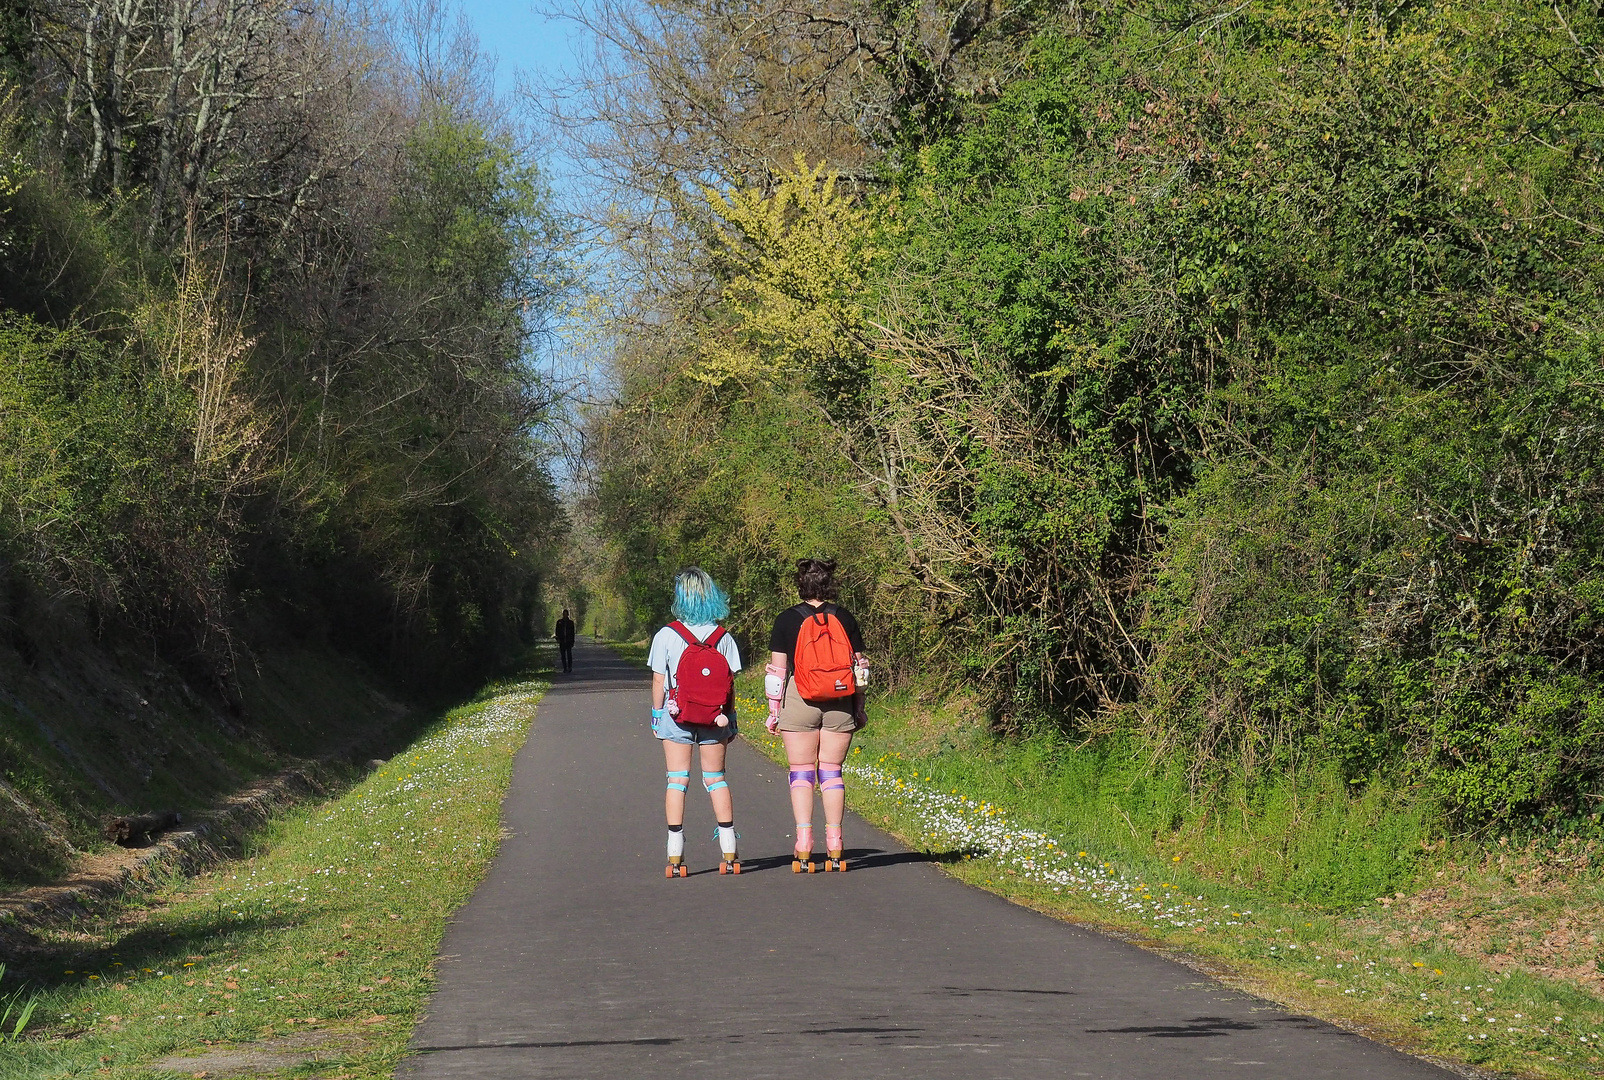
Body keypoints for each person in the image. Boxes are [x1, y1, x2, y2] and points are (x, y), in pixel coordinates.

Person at [765, 558, 867, 873]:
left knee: (802, 772)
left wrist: (773, 712)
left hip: (799, 697)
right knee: (832, 772)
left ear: (801, 584)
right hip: (840, 698)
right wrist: (859, 707)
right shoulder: (845, 618)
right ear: (829, 584)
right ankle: (835, 843)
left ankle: (805, 843)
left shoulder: (786, 620)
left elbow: (777, 673)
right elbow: (861, 670)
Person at [648, 567, 743, 876]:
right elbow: (730, 685)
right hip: (716, 719)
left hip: (677, 717)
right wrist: (730, 719)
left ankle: (675, 852)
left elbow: (659, 680)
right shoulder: (723, 637)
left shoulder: (666, 635)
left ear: (681, 597)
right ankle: (729, 849)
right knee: (716, 779)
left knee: (677, 780)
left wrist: (657, 715)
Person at [555, 608, 576, 673]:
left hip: (568, 641)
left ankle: (570, 667)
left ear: (568, 615)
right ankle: (565, 668)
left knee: (569, 654)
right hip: (562, 641)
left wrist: (572, 641)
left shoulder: (570, 623)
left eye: (566, 614)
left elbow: (572, 633)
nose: (565, 615)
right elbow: (557, 631)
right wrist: (558, 638)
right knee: (563, 655)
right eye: (564, 614)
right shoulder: (559, 622)